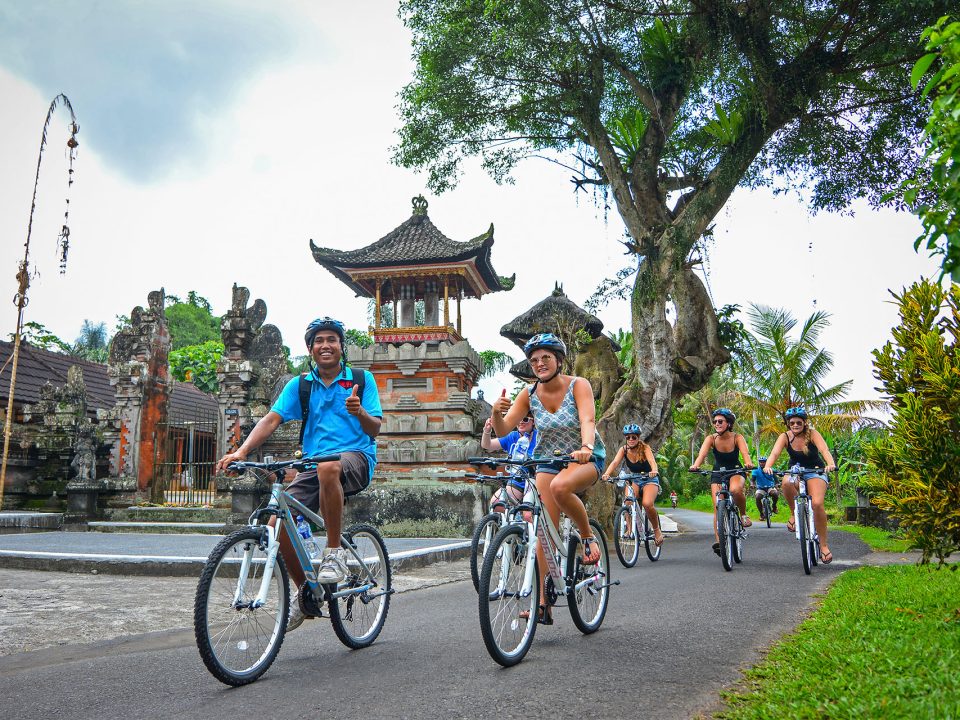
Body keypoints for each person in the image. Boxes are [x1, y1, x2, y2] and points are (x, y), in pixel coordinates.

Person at [216, 317, 382, 629]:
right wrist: (241, 451)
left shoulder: (361, 379)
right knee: (276, 523)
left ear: (341, 346)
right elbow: (271, 419)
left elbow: (374, 429)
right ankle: (305, 592)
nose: (326, 345)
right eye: (319, 341)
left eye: (332, 339)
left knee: (329, 466)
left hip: (356, 457)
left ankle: (334, 553)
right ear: (310, 348)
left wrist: (359, 411)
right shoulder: (301, 385)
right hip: (312, 464)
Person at [491, 332, 605, 625]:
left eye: (545, 358)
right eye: (534, 360)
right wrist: (495, 413)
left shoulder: (578, 385)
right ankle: (543, 603)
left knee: (561, 486)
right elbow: (505, 431)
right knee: (543, 531)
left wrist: (586, 447)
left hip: (585, 458)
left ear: (558, 360)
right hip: (547, 459)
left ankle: (588, 538)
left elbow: (587, 420)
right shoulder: (528, 394)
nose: (539, 364)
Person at [763, 406, 837, 564]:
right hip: (795, 471)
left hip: (815, 471)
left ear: (804, 423)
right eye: (792, 423)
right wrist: (768, 466)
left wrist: (830, 463)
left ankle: (823, 546)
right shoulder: (785, 436)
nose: (795, 425)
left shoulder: (813, 434)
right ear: (788, 424)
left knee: (817, 504)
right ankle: (793, 513)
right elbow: (775, 453)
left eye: (798, 422)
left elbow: (824, 450)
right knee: (786, 482)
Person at [690, 408, 754, 556]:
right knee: (718, 506)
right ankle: (720, 542)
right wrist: (696, 465)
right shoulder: (711, 438)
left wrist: (748, 463)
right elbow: (702, 454)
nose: (717, 424)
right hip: (718, 472)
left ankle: (743, 515)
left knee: (735, 490)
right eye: (715, 422)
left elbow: (745, 453)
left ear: (729, 423)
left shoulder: (737, 437)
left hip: (736, 470)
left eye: (720, 421)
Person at [601, 423, 664, 546]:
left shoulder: (645, 448)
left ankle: (656, 530)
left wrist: (654, 471)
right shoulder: (623, 450)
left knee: (647, 504)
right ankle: (630, 531)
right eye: (628, 437)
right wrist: (607, 474)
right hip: (634, 479)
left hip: (649, 479)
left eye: (633, 437)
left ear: (638, 437)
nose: (630, 440)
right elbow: (614, 462)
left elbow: (652, 461)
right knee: (628, 502)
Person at [480, 414, 538, 508]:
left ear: (533, 421)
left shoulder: (540, 437)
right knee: (496, 503)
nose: (521, 422)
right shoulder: (512, 436)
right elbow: (487, 446)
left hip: (536, 480)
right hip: (517, 480)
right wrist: (487, 430)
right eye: (518, 419)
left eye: (525, 419)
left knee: (528, 513)